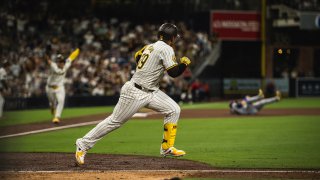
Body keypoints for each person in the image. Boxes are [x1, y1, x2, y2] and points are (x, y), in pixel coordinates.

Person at [75, 23, 192, 165]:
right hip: (135, 92)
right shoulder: (167, 49)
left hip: (151, 91)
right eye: (175, 37)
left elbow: (137, 56)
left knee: (174, 109)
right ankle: (83, 143)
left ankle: (167, 147)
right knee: (115, 121)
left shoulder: (150, 46)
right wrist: (184, 64)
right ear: (172, 38)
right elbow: (174, 73)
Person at [46, 49, 80, 124]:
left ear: (63, 62)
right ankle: (52, 106)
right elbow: (48, 60)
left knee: (61, 101)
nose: (60, 63)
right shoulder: (53, 66)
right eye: (58, 61)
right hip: (50, 88)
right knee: (52, 102)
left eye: (61, 61)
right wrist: (46, 55)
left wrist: (78, 50)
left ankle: (57, 117)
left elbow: (71, 57)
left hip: (59, 87)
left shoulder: (66, 65)